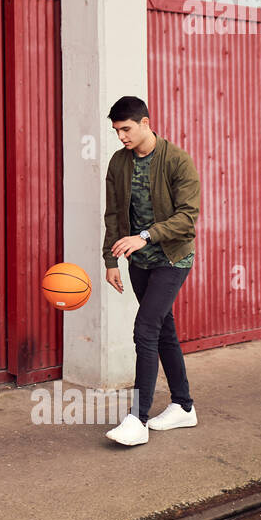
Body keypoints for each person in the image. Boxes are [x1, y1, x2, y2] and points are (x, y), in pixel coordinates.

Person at [101, 96, 201, 446]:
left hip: (172, 257)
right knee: (163, 330)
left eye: (126, 129)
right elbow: (113, 214)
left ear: (145, 123)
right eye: (116, 131)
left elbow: (187, 218)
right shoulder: (119, 162)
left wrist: (145, 236)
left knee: (145, 328)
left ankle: (137, 418)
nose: (122, 137)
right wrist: (110, 260)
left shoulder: (176, 160)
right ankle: (183, 407)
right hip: (138, 261)